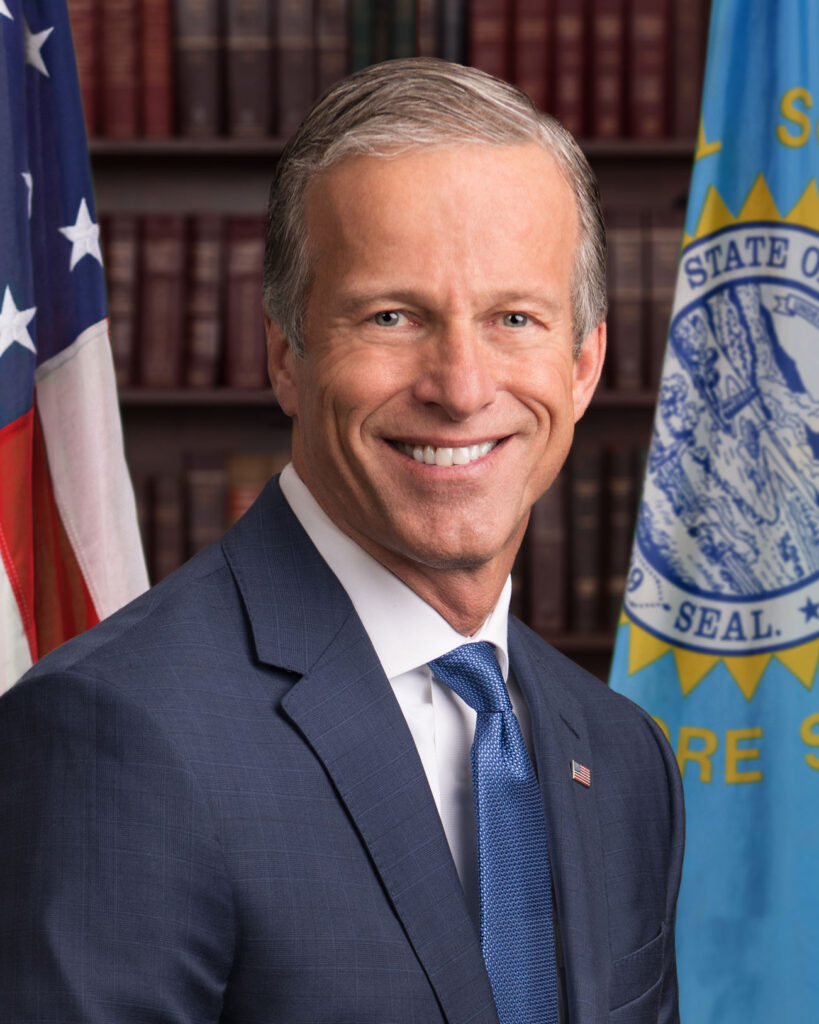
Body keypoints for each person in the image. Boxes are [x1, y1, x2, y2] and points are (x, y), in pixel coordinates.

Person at [0, 59, 683, 1024]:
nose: (460, 385)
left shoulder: (621, 756)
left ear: (581, 364)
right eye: (392, 317)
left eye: (513, 319)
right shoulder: (118, 734)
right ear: (287, 351)